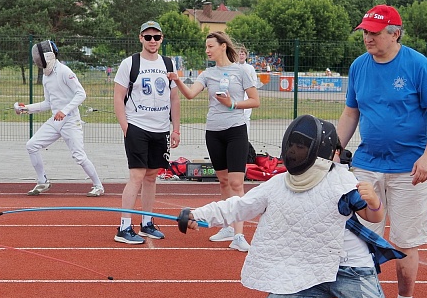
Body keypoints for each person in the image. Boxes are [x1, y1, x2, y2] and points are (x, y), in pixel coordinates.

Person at [182, 115, 427, 298]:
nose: (297, 151)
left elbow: (372, 216)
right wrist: (198, 215)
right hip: (305, 264)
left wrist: (375, 202)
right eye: (295, 145)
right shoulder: (277, 184)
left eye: (303, 146)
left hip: (350, 268)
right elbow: (238, 206)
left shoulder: (343, 181)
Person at [334, 5, 427, 298]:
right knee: (360, 239)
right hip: (367, 165)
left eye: (374, 32)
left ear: (395, 34)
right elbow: (351, 113)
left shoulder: (418, 65)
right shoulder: (359, 66)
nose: (367, 38)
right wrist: (335, 151)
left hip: (409, 170)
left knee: (405, 242)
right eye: (365, 32)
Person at [168, 31, 260, 252]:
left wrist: (232, 104)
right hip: (213, 132)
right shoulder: (208, 74)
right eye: (206, 47)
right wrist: (178, 80)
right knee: (223, 181)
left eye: (210, 46)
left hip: (236, 130)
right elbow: (190, 94)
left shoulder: (241, 71)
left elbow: (255, 101)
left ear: (222, 46)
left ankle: (239, 235)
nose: (207, 50)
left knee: (237, 183)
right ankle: (227, 227)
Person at [112, 20, 181, 244]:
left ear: (161, 39)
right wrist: (125, 126)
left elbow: (174, 98)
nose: (153, 41)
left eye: (156, 37)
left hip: (160, 129)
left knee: (152, 176)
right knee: (137, 176)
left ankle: (147, 222)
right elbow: (118, 96)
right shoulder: (130, 63)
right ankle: (124, 226)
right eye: (148, 37)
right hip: (137, 127)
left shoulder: (168, 63)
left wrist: (176, 129)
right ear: (141, 38)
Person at [15, 40, 104, 197]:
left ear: (48, 56)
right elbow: (48, 103)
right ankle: (42, 181)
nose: (37, 60)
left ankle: (98, 186)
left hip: (71, 121)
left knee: (79, 156)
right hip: (55, 121)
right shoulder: (46, 76)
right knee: (32, 145)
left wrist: (64, 111)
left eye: (39, 57)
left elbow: (81, 94)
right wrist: (26, 108)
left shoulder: (64, 71)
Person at [235, 44, 260, 124]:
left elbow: (254, 80)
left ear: (246, 56)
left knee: (246, 116)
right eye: (240, 54)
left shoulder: (250, 68)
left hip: (247, 94)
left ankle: (246, 131)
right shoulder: (234, 67)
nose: (241, 56)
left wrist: (251, 90)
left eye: (243, 54)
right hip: (237, 93)